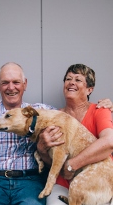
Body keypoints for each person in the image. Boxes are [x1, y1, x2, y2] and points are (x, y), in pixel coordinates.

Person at [0, 62, 112, 205]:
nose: (11, 87)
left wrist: (107, 105)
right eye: (5, 82)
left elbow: (79, 122)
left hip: (29, 181)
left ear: (25, 84)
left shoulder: (41, 112)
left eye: (16, 82)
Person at [37, 64, 113, 205]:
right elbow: (53, 163)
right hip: (64, 185)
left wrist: (72, 165)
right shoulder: (55, 116)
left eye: (78, 80)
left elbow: (109, 142)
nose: (71, 82)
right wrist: (42, 149)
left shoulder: (100, 110)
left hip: (96, 183)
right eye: (68, 79)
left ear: (90, 89)